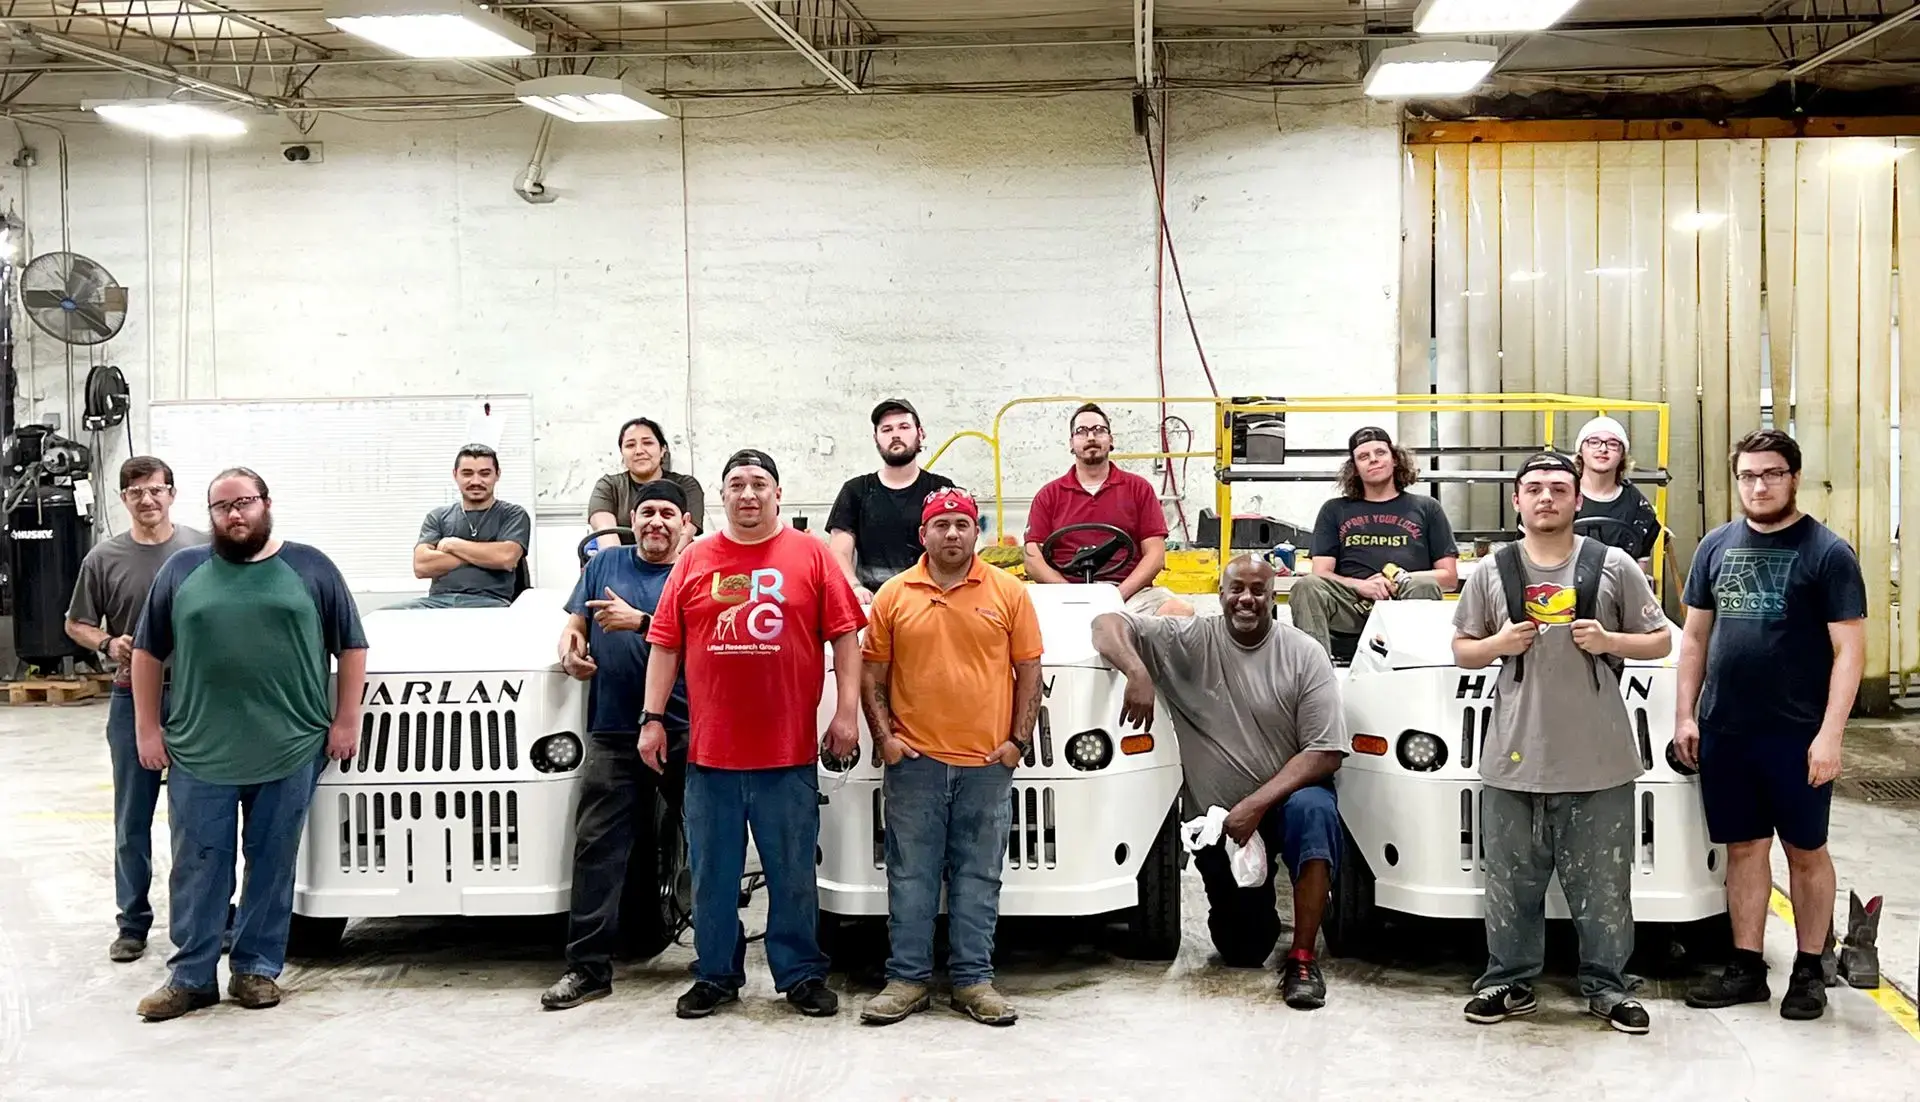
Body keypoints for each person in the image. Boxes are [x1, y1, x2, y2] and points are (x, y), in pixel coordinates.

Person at [129, 468, 367, 1022]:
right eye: (222, 507)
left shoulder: (311, 567)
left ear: (266, 504)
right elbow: (146, 652)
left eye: (245, 503)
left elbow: (351, 645)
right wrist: (148, 728)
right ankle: (190, 976)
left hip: (290, 746)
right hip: (199, 749)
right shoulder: (183, 570)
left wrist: (345, 719)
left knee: (272, 862)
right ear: (210, 514)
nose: (235, 515)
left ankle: (256, 969)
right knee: (198, 863)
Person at [1450, 451, 1672, 1035]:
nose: (1546, 497)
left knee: (1604, 887)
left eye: (1558, 488)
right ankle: (1508, 978)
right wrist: (1500, 641)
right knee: (1510, 883)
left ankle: (1608, 985)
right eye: (1534, 489)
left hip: (1598, 759)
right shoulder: (1491, 571)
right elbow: (1463, 649)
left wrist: (1609, 639)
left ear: (1578, 500)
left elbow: (1660, 643)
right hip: (1513, 757)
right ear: (1517, 502)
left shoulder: (1614, 564)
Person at [641, 448, 865, 1020]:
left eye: (759, 483)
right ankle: (716, 974)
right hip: (711, 754)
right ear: (722, 496)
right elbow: (665, 644)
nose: (747, 493)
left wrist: (846, 715)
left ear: (778, 494)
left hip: (786, 753)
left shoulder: (811, 555)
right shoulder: (694, 560)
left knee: (792, 873)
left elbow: (845, 638)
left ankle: (800, 975)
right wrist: (652, 719)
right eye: (736, 484)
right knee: (713, 876)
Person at [1091, 556, 1347, 1010]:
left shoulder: (1304, 653)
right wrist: (1138, 671)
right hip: (1220, 824)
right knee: (1243, 950)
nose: (1246, 599)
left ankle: (1303, 959)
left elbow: (1325, 752)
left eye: (1258, 591)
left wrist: (1256, 805)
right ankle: (1259, 916)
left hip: (1284, 804)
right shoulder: (1189, 639)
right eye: (1236, 589)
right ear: (1222, 593)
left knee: (1316, 810)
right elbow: (1106, 622)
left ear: (1274, 598)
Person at [1675, 429, 1866, 1022]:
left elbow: (1850, 653)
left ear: (1794, 477)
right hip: (1727, 730)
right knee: (1744, 849)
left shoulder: (1828, 553)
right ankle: (1747, 967)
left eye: (1772, 474)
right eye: (1748, 476)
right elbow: (1695, 638)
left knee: (1805, 851)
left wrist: (1830, 734)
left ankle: (1809, 969)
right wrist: (1685, 713)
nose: (1759, 486)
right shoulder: (1715, 546)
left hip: (1797, 733)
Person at [858, 487, 1043, 1027]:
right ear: (924, 534)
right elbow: (873, 675)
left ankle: (973, 981)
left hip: (987, 765)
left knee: (979, 875)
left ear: (976, 533)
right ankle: (907, 979)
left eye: (962, 524)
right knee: (910, 874)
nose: (953, 534)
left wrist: (1016, 744)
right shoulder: (893, 595)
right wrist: (885, 738)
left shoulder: (1008, 593)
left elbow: (1030, 671)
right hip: (914, 763)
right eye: (942, 525)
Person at [540, 481, 694, 1010]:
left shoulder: (696, 571)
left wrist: (640, 621)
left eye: (667, 513)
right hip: (612, 730)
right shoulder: (605, 565)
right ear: (632, 517)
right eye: (646, 511)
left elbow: (710, 644)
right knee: (598, 849)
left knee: (709, 847)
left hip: (684, 730)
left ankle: (721, 962)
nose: (656, 521)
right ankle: (587, 968)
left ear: (686, 523)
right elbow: (574, 624)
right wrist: (571, 648)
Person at [63, 455, 209, 964]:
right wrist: (106, 642)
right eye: (135, 493)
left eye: (156, 490)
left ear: (172, 493)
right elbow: (76, 622)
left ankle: (204, 917)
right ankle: (132, 922)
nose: (147, 500)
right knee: (133, 815)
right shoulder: (103, 559)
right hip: (131, 695)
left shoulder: (202, 549)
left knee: (198, 814)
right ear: (124, 500)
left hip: (196, 696)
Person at [1290, 426, 1458, 657]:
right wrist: (1361, 586)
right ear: (1355, 469)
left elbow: (1448, 578)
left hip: (1405, 601)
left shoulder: (1427, 508)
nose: (1373, 460)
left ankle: (1414, 668)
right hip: (1351, 605)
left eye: (1380, 453)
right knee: (1306, 586)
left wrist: (1398, 581)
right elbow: (1321, 573)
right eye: (1363, 457)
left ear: (1395, 459)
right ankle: (1316, 677)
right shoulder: (1334, 510)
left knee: (1424, 585)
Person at [1022, 403, 1192, 617]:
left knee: (1180, 612)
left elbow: (1155, 555)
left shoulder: (1138, 489)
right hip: (1064, 593)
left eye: (1099, 430)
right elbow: (1032, 559)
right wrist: (1074, 597)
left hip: (1129, 595)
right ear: (1071, 444)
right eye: (1081, 432)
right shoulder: (1049, 495)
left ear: (1111, 441)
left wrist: (1116, 597)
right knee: (1013, 615)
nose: (1091, 437)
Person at [827, 398, 955, 602]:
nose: (895, 434)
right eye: (886, 429)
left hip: (932, 600)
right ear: (876, 438)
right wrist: (853, 586)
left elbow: (958, 548)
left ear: (920, 433)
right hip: (873, 602)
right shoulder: (855, 491)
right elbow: (839, 551)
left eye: (904, 427)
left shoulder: (941, 490)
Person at [396, 444, 532, 609]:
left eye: (485, 474)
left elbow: (505, 558)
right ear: (455, 475)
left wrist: (452, 545)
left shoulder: (513, 514)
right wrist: (484, 556)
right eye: (467, 473)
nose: (476, 481)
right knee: (383, 619)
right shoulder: (437, 516)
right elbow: (421, 566)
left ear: (497, 475)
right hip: (438, 602)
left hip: (490, 604)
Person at [588, 417, 707, 551]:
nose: (639, 451)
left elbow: (684, 536)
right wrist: (622, 567)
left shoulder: (686, 486)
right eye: (630, 445)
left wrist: (657, 566)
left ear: (663, 449)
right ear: (622, 453)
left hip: (674, 566)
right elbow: (606, 535)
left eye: (648, 443)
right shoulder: (608, 486)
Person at [1572, 416, 1661, 568]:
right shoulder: (1559, 496)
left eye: (1613, 444)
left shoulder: (1639, 508)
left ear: (1622, 455)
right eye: (1593, 442)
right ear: (1580, 449)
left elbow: (1637, 574)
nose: (1603, 449)